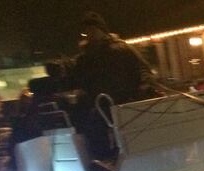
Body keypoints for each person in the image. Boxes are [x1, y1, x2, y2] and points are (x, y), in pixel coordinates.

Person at [63, 11, 161, 160]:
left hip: (126, 101)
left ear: (102, 30)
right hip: (99, 103)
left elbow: (143, 69)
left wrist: (144, 85)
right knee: (89, 127)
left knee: (122, 130)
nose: (90, 33)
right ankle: (103, 161)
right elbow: (79, 79)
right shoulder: (85, 57)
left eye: (93, 29)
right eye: (87, 30)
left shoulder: (121, 49)